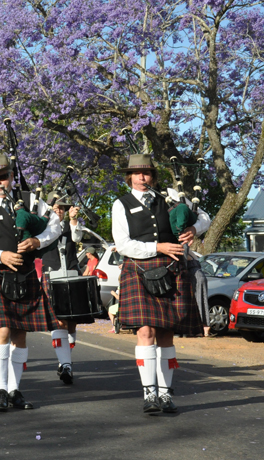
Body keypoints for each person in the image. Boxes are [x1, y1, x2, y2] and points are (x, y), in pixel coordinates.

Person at [111, 154, 210, 414]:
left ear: (153, 176)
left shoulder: (170, 196)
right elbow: (123, 245)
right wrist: (157, 246)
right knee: (146, 333)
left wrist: (194, 230)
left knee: (166, 333)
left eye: (146, 173)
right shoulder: (120, 204)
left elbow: (204, 217)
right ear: (129, 176)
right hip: (138, 269)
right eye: (137, 173)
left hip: (171, 268)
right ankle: (149, 394)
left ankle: (166, 395)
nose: (142, 177)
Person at [0, 154, 61, 412]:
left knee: (20, 333)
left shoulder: (31, 200)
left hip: (27, 274)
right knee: (4, 330)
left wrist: (38, 242)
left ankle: (14, 390)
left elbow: (55, 226)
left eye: (3, 177)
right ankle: (0, 389)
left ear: (11, 177)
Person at [40, 196, 92, 385]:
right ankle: (66, 365)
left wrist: (73, 219)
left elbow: (77, 237)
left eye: (62, 208)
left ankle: (65, 361)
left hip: (71, 274)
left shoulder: (71, 225)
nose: (59, 211)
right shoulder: (42, 227)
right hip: (52, 275)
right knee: (59, 321)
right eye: (55, 208)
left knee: (71, 323)